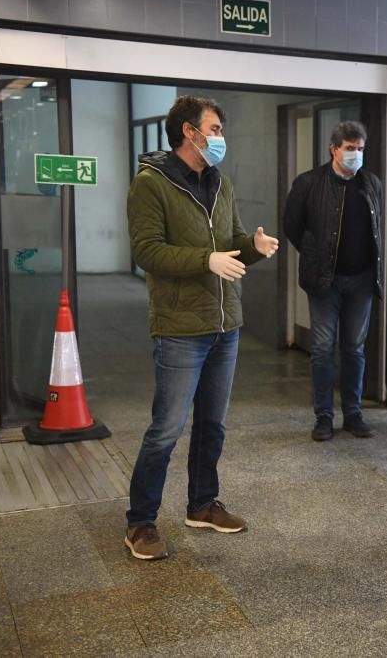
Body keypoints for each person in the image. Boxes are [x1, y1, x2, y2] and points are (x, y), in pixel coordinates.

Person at [125, 95, 279, 560]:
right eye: (213, 129)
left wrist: (250, 247)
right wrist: (204, 260)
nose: (220, 138)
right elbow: (147, 251)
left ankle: (202, 503)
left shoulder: (220, 182)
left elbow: (228, 243)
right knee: (166, 429)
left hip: (224, 324)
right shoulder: (150, 186)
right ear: (189, 133)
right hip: (179, 327)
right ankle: (140, 523)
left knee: (213, 423)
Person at [284, 121, 384, 442]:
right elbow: (292, 227)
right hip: (324, 281)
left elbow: (376, 228)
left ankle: (353, 414)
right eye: (349, 148)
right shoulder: (309, 183)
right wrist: (315, 255)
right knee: (323, 348)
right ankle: (323, 417)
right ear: (334, 149)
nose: (355, 154)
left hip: (362, 281)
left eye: (360, 149)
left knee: (354, 348)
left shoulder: (371, 183)